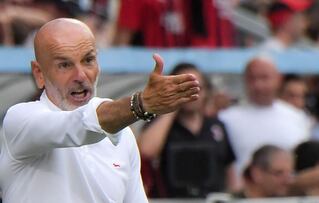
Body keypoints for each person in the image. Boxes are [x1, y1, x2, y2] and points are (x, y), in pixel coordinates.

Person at [0, 18, 201, 203]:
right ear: (39, 74)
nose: (80, 75)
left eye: (88, 60)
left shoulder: (124, 136)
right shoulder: (19, 119)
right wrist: (140, 104)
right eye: (64, 64)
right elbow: (79, 124)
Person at [137, 63, 237, 198]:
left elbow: (230, 169)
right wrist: (172, 107)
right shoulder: (161, 125)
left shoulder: (217, 126)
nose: (191, 94)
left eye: (196, 88)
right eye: (184, 88)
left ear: (206, 91)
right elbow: (146, 151)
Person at [219, 56, 310, 180]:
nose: (258, 85)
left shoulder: (297, 117)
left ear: (279, 79)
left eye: (264, 78)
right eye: (252, 78)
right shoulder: (226, 119)